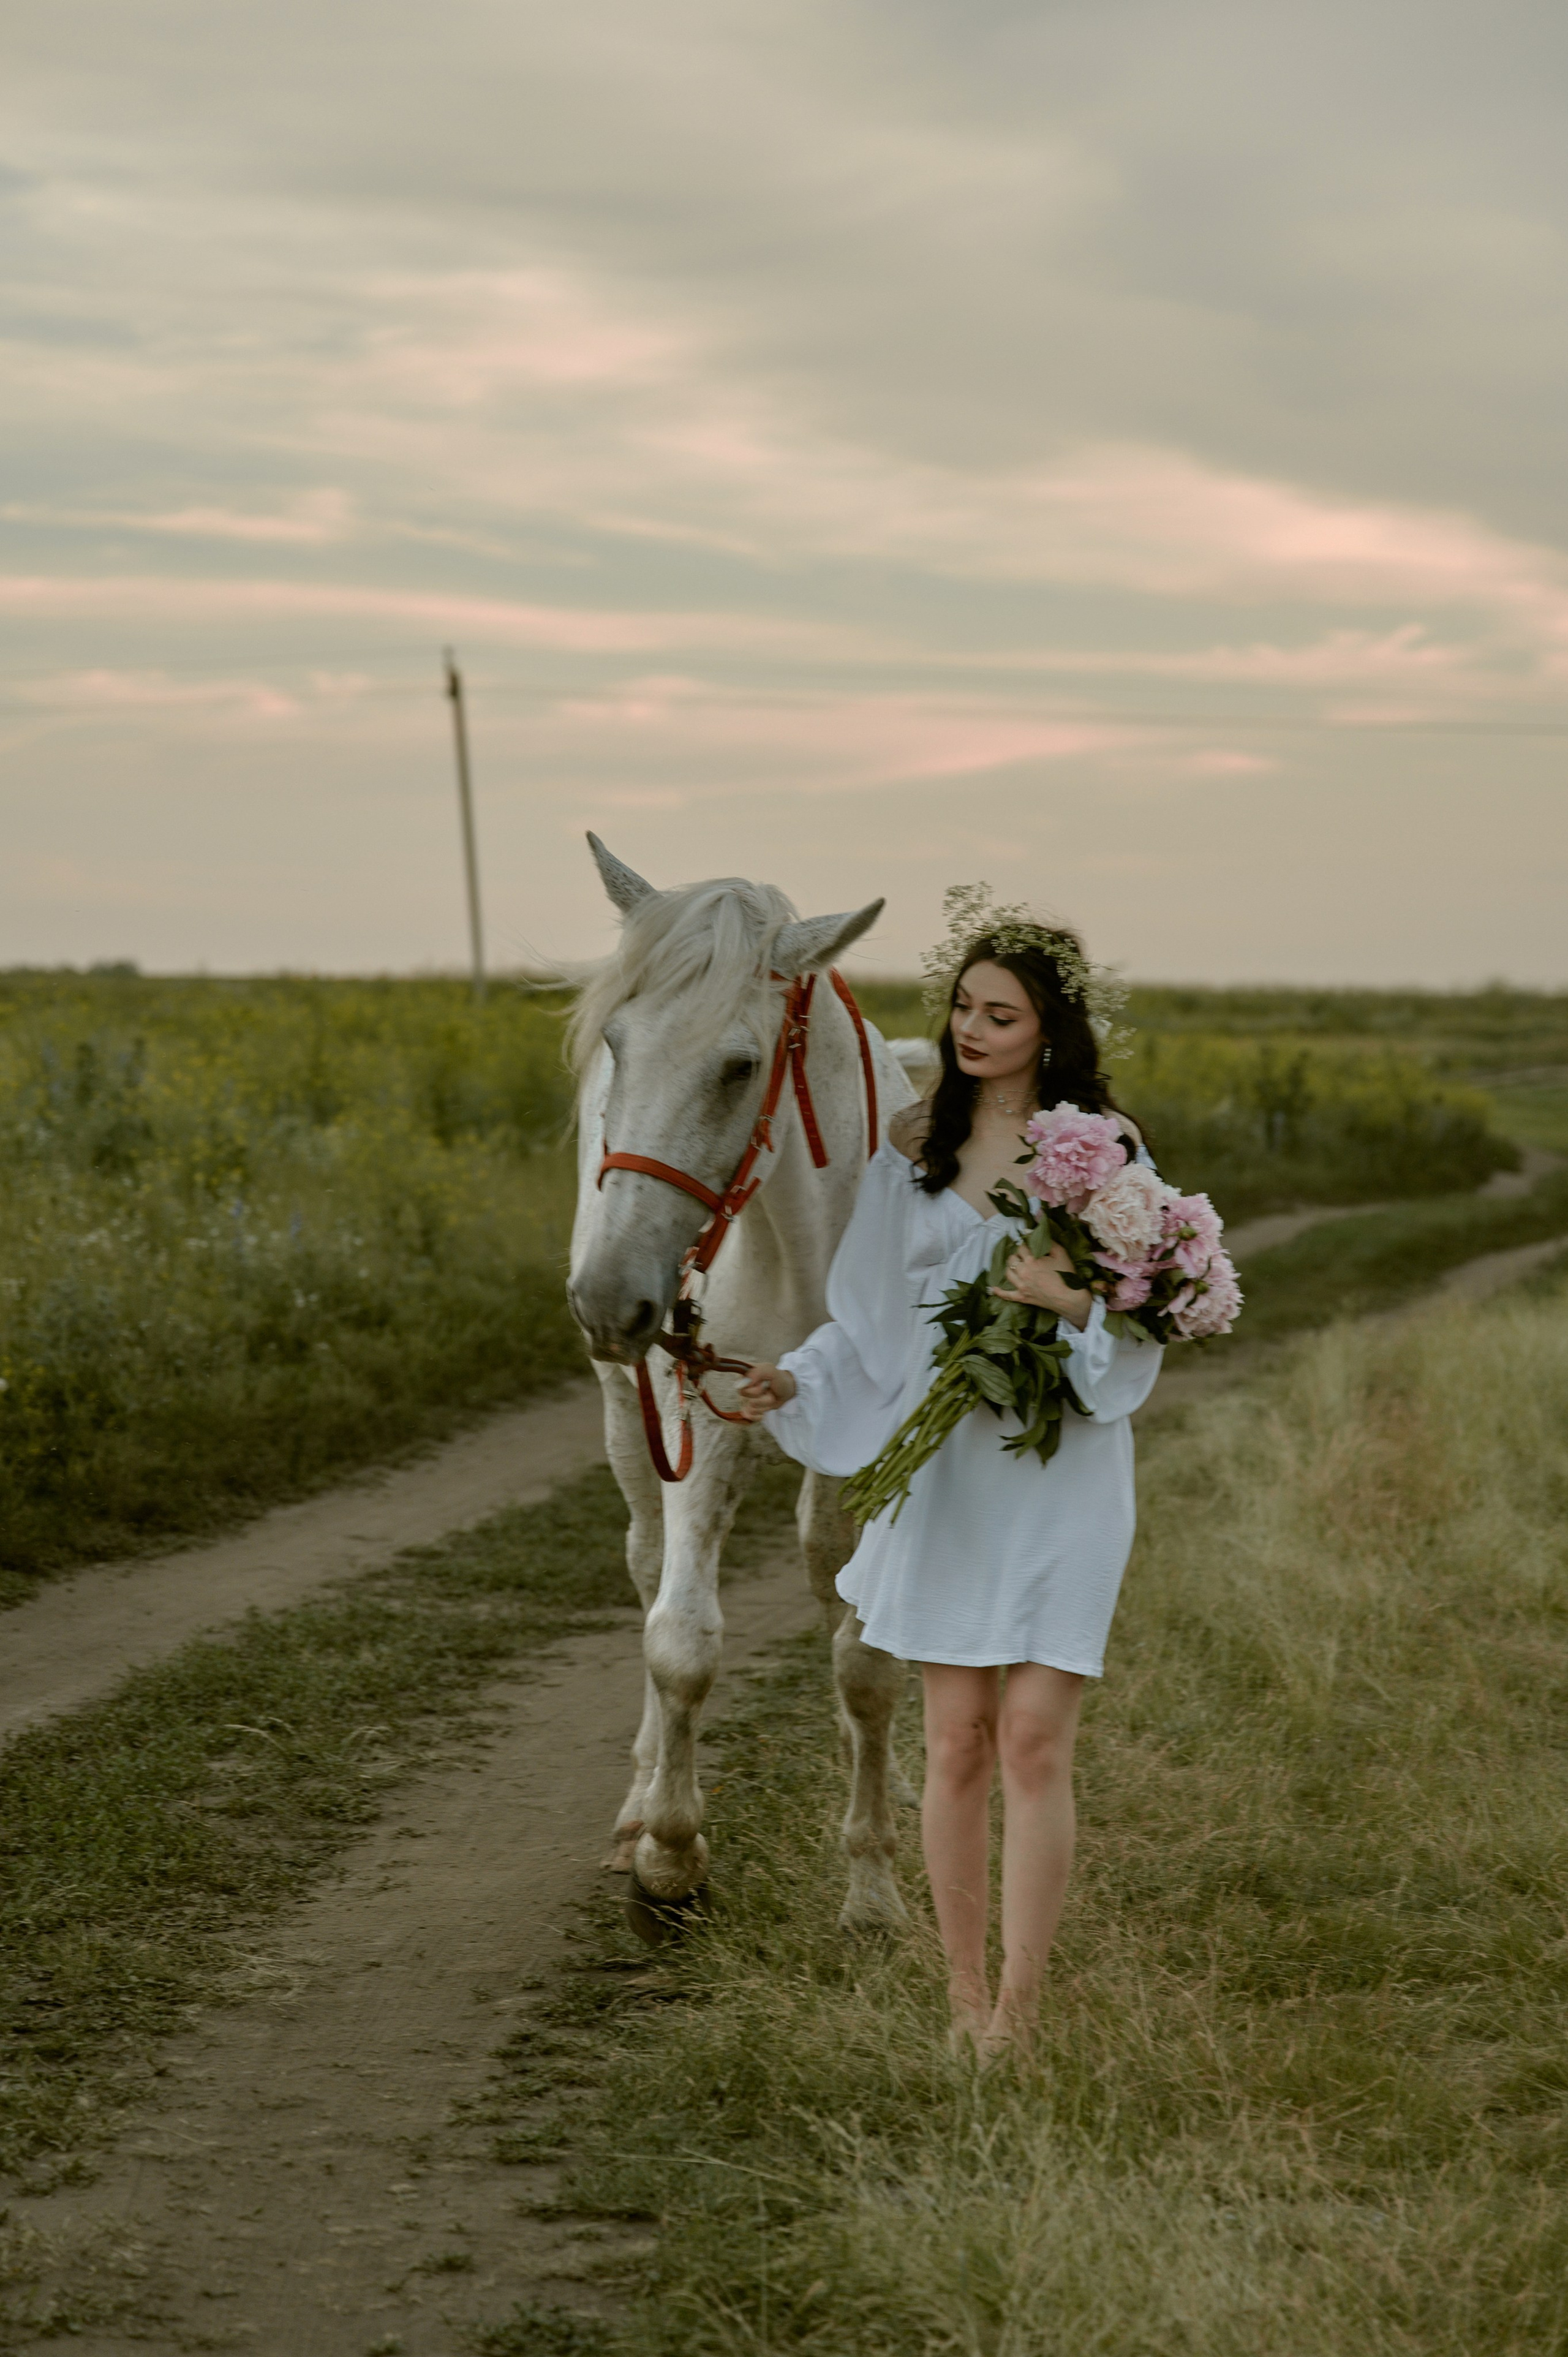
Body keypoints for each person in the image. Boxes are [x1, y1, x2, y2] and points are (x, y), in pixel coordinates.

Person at [737, 901, 1162, 2062]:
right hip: (949, 1472)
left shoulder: (1106, 1152)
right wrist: (793, 1381)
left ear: (1048, 1028)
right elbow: (867, 1321)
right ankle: (964, 2007)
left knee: (1032, 1737)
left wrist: (1069, 1303)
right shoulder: (913, 1149)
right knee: (956, 1741)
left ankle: (1020, 2019)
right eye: (963, 1009)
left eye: (1000, 1014)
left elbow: (1146, 1310)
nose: (971, 1031)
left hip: (1063, 1466)